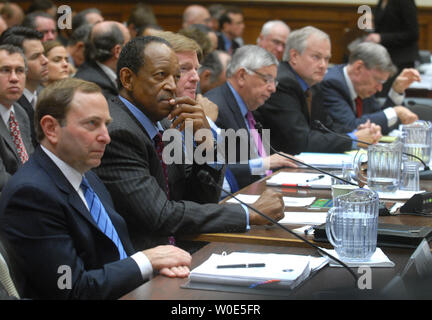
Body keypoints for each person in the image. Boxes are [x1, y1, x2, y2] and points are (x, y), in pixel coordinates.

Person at [0, 78, 192, 299]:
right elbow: (70, 288)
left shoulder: (87, 175)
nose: (106, 137)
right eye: (92, 124)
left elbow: (116, 254)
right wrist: (145, 261)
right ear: (51, 128)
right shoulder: (31, 195)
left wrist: (153, 266)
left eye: (106, 124)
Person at [93, 36, 285, 251]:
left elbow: (199, 199)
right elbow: (161, 215)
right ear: (128, 79)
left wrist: (206, 142)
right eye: (161, 76)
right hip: (146, 260)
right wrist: (248, 214)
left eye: (176, 76)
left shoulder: (166, 124)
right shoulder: (119, 132)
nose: (172, 86)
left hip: (182, 247)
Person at [254, 26, 382, 155]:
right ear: (294, 56)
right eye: (316, 57)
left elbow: (326, 127)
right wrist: (354, 139)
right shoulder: (282, 83)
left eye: (326, 59)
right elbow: (301, 141)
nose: (323, 65)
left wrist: (356, 131)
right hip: (270, 167)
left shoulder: (312, 84)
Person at [205, 45, 298, 189]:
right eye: (267, 79)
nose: (273, 88)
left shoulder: (247, 106)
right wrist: (264, 164)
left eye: (274, 81)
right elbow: (213, 173)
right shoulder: (216, 109)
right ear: (242, 76)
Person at [321, 42, 419, 135]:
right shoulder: (332, 83)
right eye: (378, 80)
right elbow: (349, 127)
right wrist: (395, 112)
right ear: (358, 68)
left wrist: (397, 91)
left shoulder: (363, 87)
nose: (380, 88)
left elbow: (379, 120)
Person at [0, 26, 49, 147]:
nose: (45, 60)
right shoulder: (11, 103)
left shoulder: (20, 111)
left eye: (19, 70)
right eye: (35, 56)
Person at [365, 0, 419, 97]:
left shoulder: (405, 2)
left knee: (388, 95)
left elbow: (413, 34)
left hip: (401, 59)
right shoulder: (382, 1)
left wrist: (381, 38)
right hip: (384, 57)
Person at [0, 44, 34, 191]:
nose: (14, 78)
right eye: (5, 70)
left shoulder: (20, 112)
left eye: (19, 71)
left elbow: (32, 162)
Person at [74, 21, 130, 100]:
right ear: (118, 51)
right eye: (128, 45)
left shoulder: (91, 72)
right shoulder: (94, 86)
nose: (131, 51)